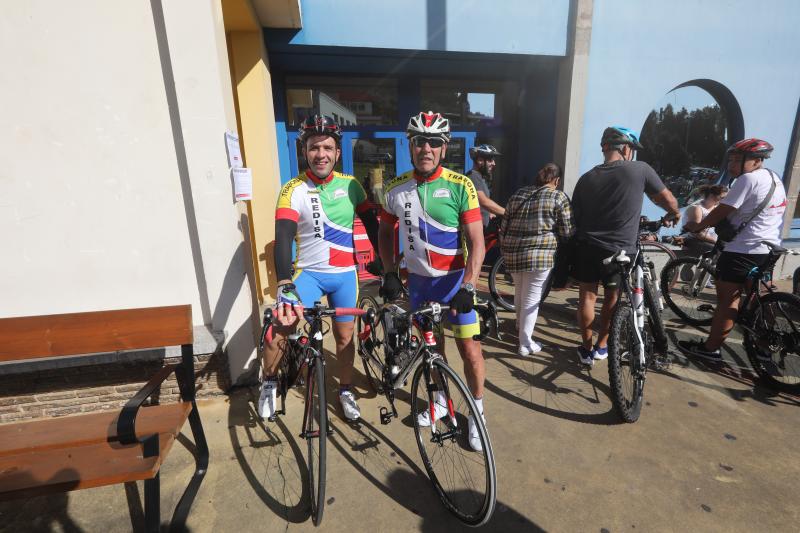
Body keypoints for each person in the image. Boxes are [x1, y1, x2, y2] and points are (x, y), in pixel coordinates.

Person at [377, 111, 487, 451]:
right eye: (419, 141)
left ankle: (477, 411)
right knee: (431, 350)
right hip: (420, 287)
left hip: (455, 284)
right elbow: (384, 231)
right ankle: (439, 401)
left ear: (444, 148)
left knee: (469, 350)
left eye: (434, 142)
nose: (426, 148)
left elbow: (478, 243)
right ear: (410, 146)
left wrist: (469, 286)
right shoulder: (395, 188)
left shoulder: (460, 185)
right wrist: (390, 271)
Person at [260, 115, 379, 421]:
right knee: (278, 329)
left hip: (344, 276)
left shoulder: (351, 185)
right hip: (308, 275)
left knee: (343, 337)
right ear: (305, 151)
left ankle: (346, 390)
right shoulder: (292, 189)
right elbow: (284, 236)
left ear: (338, 153)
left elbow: (369, 219)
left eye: (328, 147)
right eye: (314, 147)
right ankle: (269, 383)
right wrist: (285, 283)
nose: (321, 154)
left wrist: (378, 255)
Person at [571, 126, 680, 366]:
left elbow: (575, 216)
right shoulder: (640, 170)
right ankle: (602, 347)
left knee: (587, 298)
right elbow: (667, 198)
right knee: (612, 299)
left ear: (605, 148)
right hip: (620, 249)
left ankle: (586, 349)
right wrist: (674, 213)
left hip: (587, 247)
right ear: (626, 149)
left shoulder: (586, 177)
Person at [678, 138, 786, 361]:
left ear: (756, 160)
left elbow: (722, 211)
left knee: (728, 301)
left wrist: (697, 226)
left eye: (738, 159)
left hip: (741, 250)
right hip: (768, 249)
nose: (731, 165)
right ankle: (764, 348)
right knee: (758, 298)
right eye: (731, 159)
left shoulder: (747, 180)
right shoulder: (774, 178)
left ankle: (710, 350)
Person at [500, 163, 574, 355]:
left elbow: (505, 223)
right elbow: (567, 231)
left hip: (512, 252)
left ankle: (519, 324)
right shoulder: (559, 196)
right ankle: (525, 344)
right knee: (532, 298)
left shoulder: (518, 194)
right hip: (540, 255)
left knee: (520, 291)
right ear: (556, 180)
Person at [681, 184, 727, 256]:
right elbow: (696, 233)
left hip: (706, 241)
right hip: (693, 240)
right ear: (712, 195)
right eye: (722, 197)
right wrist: (716, 241)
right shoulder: (697, 208)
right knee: (721, 252)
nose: (724, 200)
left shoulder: (716, 208)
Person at [467, 144, 506, 228]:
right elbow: (483, 201)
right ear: (480, 160)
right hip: (475, 230)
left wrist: (489, 213)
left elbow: (478, 205)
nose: (494, 163)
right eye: (490, 160)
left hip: (483, 228)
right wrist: (507, 212)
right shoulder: (473, 177)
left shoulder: (480, 178)